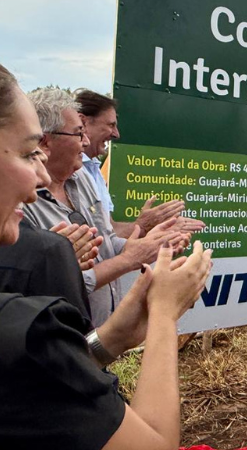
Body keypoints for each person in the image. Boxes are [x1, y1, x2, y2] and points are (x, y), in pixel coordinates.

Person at [0, 54, 213, 450]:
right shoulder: (7, 326)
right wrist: (164, 314)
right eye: (30, 153)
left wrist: (110, 339)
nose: (38, 179)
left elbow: (25, 382)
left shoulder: (16, 342)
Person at [23, 88, 186, 326]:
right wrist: (129, 259)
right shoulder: (22, 200)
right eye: (78, 134)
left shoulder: (84, 178)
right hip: (58, 341)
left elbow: (107, 242)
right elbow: (55, 281)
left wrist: (150, 246)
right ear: (46, 141)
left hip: (100, 332)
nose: (86, 141)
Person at [75, 89, 204, 237]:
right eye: (111, 125)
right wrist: (142, 227)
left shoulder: (93, 169)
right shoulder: (69, 172)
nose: (117, 134)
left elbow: (109, 231)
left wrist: (154, 231)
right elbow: (93, 239)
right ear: (83, 122)